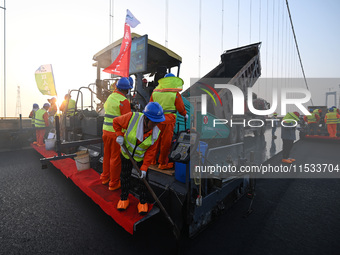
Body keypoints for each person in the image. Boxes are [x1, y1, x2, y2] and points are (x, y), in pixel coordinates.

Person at [113, 102, 165, 214]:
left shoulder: (156, 133)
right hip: (126, 154)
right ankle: (124, 199)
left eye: (157, 122)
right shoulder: (132, 117)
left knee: (144, 180)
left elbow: (151, 152)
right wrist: (119, 134)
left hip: (140, 159)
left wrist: (144, 168)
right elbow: (116, 122)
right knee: (125, 176)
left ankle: (142, 202)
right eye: (154, 122)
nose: (156, 125)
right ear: (146, 118)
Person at [149, 73, 188, 169]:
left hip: (156, 121)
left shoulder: (155, 92)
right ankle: (162, 163)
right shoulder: (175, 94)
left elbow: (150, 106)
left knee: (154, 140)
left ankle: (152, 160)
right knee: (165, 143)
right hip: (168, 121)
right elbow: (181, 108)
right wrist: (185, 114)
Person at [100, 77, 132, 191]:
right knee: (115, 158)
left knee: (106, 156)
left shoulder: (110, 97)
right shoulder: (124, 101)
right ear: (127, 90)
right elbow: (127, 121)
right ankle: (113, 184)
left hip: (105, 132)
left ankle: (104, 178)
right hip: (115, 134)